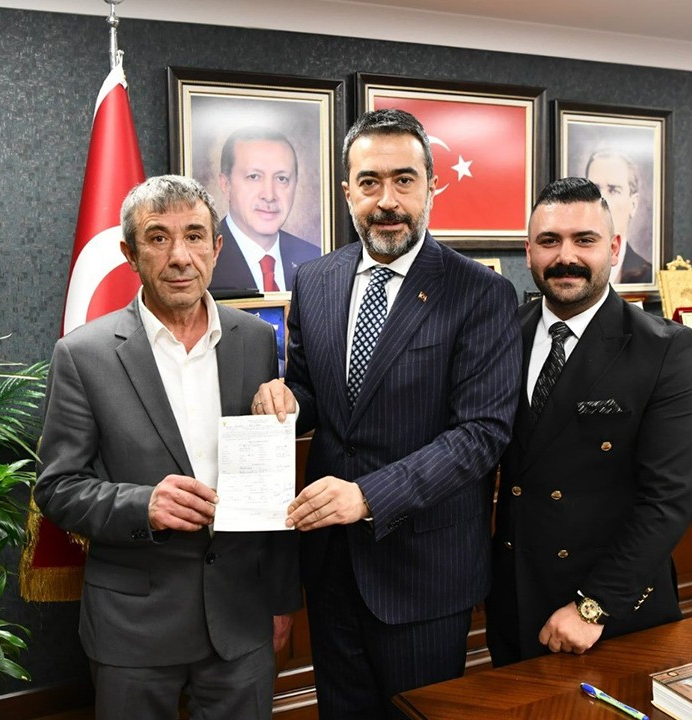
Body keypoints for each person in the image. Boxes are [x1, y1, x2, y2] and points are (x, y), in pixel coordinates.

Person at [251, 108, 521, 718]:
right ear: (348, 191)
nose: (387, 201)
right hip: (330, 560)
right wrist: (286, 398)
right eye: (370, 182)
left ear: (432, 187)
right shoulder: (315, 279)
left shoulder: (480, 292)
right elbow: (315, 391)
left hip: (423, 568)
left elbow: (481, 434)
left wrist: (367, 496)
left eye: (404, 180)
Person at [34, 175, 300, 719]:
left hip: (240, 619)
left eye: (194, 236)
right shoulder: (82, 355)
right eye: (158, 238)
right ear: (130, 254)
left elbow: (268, 485)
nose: (180, 256)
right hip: (134, 628)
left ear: (216, 247)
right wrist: (143, 505)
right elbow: (57, 488)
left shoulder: (255, 339)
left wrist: (278, 598)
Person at [485, 176, 692, 666]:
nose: (566, 256)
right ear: (529, 252)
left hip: (613, 612)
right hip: (514, 599)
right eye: (549, 241)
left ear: (613, 247)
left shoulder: (664, 350)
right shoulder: (503, 335)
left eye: (584, 240)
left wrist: (594, 606)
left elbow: (669, 500)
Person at [210, 126, 321, 292]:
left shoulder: (315, 259)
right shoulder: (203, 262)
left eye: (282, 178)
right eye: (254, 177)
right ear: (226, 185)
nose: (269, 195)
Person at [585, 149, 654, 285]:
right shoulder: (566, 266)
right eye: (594, 190)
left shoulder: (647, 276)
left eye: (613, 190)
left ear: (633, 205)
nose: (602, 200)